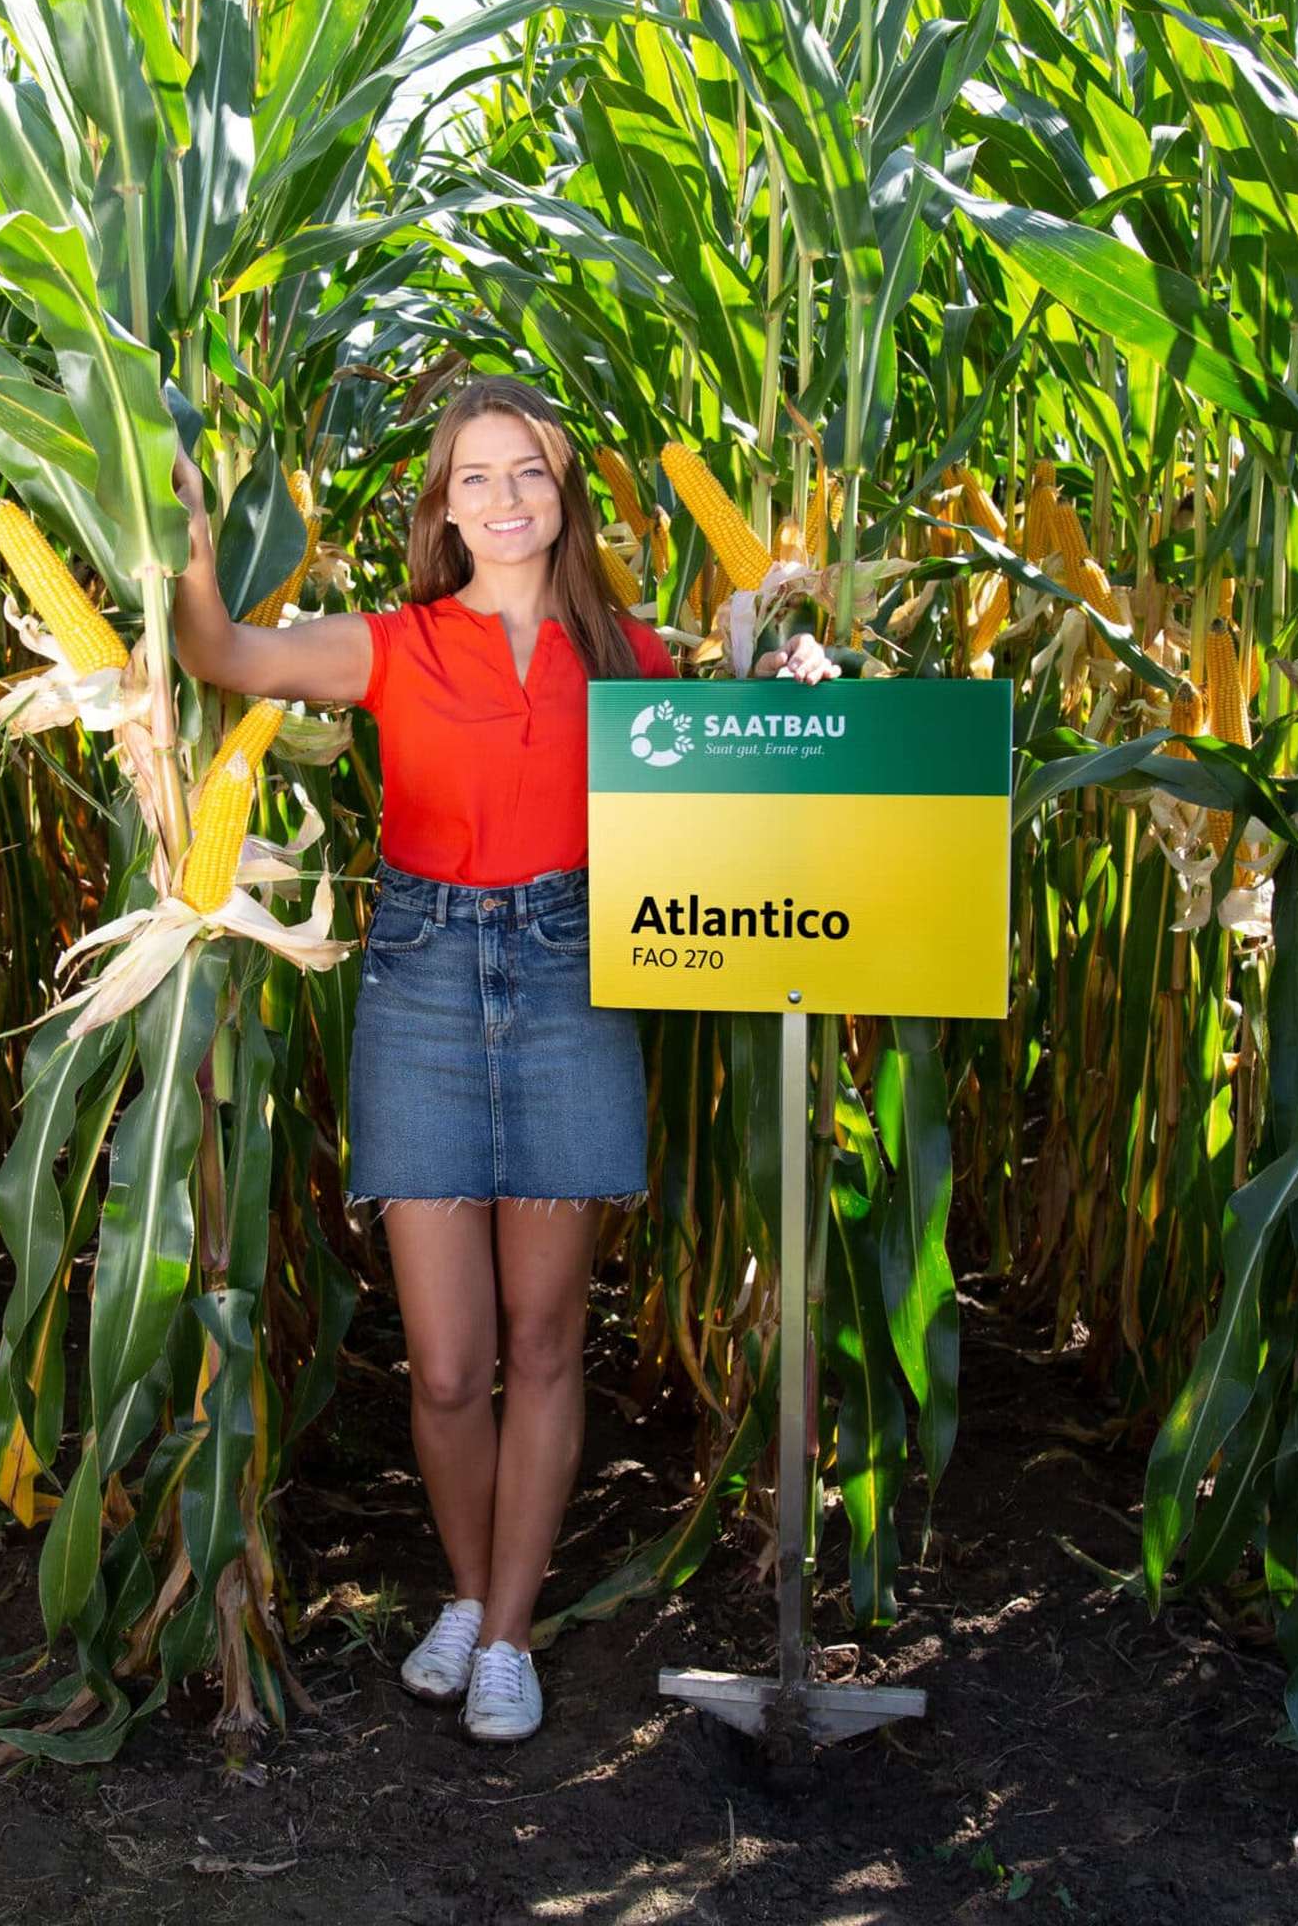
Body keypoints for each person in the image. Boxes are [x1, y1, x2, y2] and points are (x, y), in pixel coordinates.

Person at [167, 373, 823, 1745]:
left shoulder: (630, 657)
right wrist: (185, 541)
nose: (505, 499)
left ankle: (510, 1631)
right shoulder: (394, 646)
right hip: (417, 982)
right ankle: (467, 1595)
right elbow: (225, 658)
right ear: (443, 507)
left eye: (527, 471)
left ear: (563, 491)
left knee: (542, 1337)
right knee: (453, 1363)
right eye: (477, 476)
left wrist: (785, 666)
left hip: (575, 978)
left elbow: (748, 749)